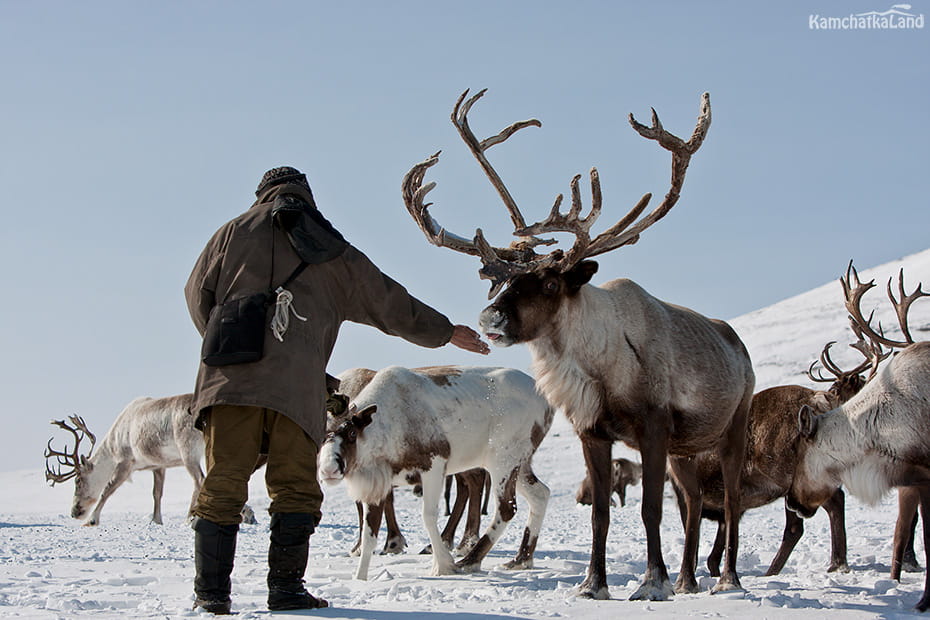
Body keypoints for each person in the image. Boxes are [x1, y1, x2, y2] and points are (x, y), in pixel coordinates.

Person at [184, 166, 489, 614]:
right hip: (297, 390)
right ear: (307, 197)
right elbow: (390, 302)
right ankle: (286, 591)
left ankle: (211, 596)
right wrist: (445, 331)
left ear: (261, 194)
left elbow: (196, 296)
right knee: (294, 488)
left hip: (229, 384)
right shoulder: (329, 246)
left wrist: (230, 341)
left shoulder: (231, 233)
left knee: (222, 482)